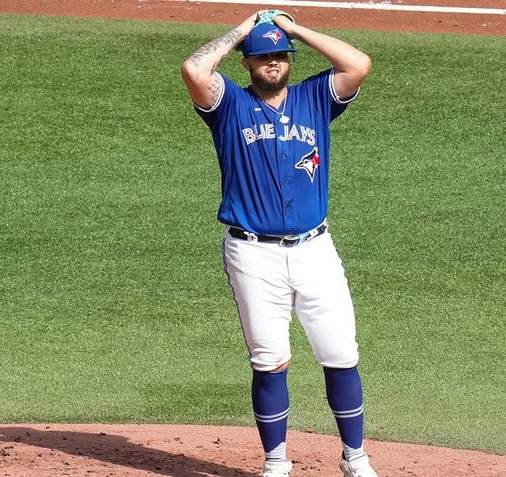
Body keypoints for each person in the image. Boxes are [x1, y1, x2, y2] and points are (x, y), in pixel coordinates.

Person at [181, 10, 376, 477]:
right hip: (252, 253)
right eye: (263, 56)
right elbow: (194, 69)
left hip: (315, 250)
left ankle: (355, 457)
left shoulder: (315, 98)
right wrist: (243, 31)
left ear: (290, 60)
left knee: (340, 354)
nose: (273, 62)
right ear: (247, 63)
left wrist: (295, 30)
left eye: (280, 56)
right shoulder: (229, 104)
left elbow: (358, 64)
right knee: (270, 361)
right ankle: (276, 463)